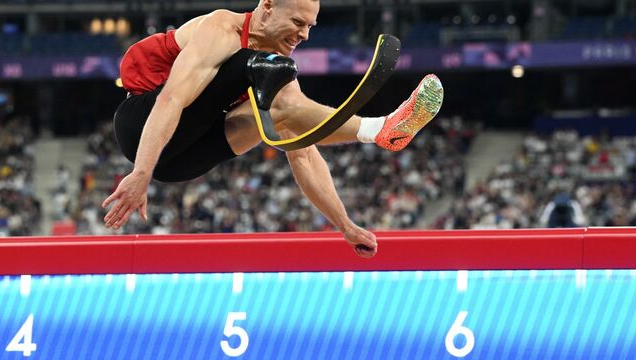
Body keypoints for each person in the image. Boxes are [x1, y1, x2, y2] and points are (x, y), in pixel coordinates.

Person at [102, 0, 444, 258]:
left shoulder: (271, 70)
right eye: (297, 21)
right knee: (255, 65)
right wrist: (141, 173)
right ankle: (380, 127)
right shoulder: (222, 29)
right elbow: (171, 100)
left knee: (285, 110)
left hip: (179, 164)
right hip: (139, 123)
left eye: (310, 26)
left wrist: (345, 225)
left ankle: (382, 132)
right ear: (267, 7)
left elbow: (304, 152)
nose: (304, 34)